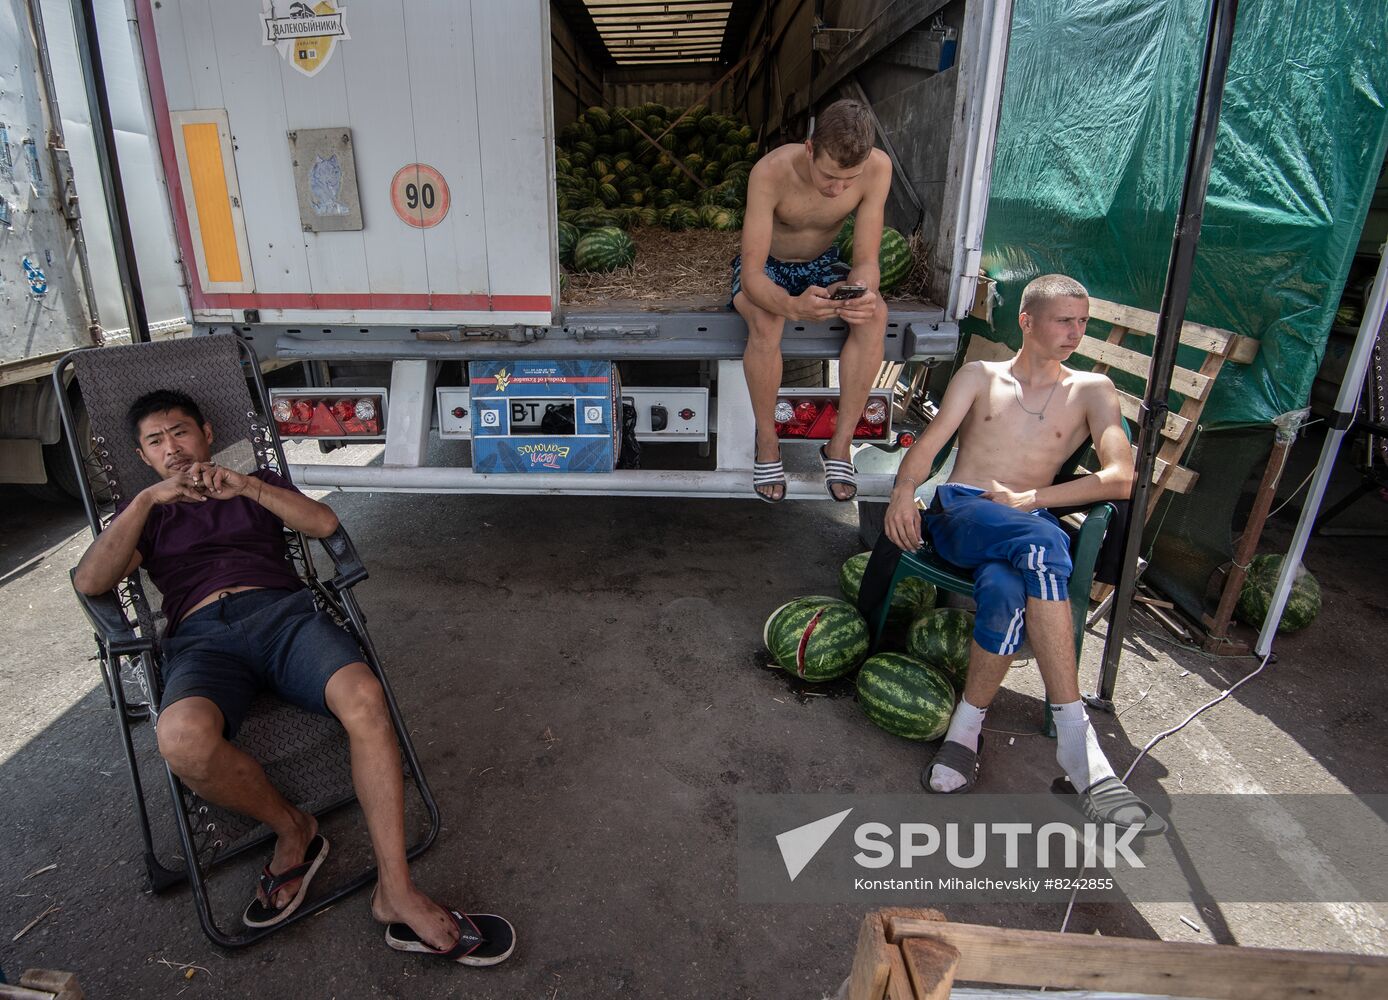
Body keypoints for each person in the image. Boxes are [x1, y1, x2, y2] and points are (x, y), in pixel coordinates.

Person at [72, 390, 515, 965]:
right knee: (181, 741)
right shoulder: (145, 516)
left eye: (180, 432)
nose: (172, 448)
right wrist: (146, 501)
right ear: (144, 456)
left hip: (283, 618)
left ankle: (396, 890)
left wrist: (249, 487)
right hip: (201, 639)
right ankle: (294, 828)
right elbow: (91, 581)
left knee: (364, 696)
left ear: (206, 432)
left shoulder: (254, 483)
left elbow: (324, 523)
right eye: (156, 442)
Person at [880, 274, 1163, 831]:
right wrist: (901, 493)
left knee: (1009, 588)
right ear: (1027, 322)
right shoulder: (979, 376)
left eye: (1083, 322)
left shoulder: (1093, 390)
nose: (1076, 333)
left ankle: (964, 730)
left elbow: (1122, 477)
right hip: (963, 511)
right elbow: (929, 445)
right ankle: (1079, 747)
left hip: (1025, 523)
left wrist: (1031, 498)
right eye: (1064, 320)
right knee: (1043, 544)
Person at [733, 98, 892, 503]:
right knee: (768, 321)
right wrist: (792, 306)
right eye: (829, 176)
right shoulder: (769, 171)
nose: (837, 189)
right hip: (768, 265)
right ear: (809, 148)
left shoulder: (877, 169)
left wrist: (862, 291)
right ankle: (768, 443)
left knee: (875, 315)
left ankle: (839, 447)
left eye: (848, 180)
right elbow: (751, 276)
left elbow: (866, 260)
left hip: (822, 263)